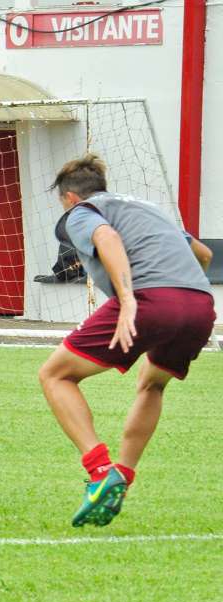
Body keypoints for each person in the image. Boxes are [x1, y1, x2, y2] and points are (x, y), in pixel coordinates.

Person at [37, 154, 214, 528]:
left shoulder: (82, 212)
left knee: (55, 376)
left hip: (148, 299)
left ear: (69, 198)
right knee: (152, 384)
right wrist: (181, 292)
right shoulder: (146, 209)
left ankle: (100, 472)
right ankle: (123, 476)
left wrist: (130, 296)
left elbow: (106, 237)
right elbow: (204, 254)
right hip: (200, 305)